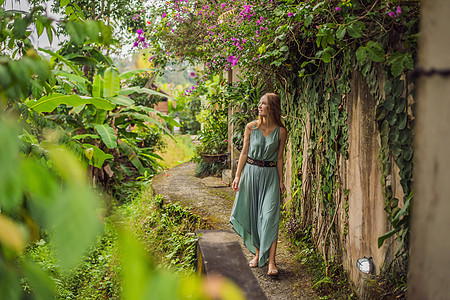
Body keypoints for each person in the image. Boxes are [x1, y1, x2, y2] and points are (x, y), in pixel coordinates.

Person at [230, 92, 287, 276]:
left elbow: (279, 158)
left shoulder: (281, 131)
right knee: (254, 215)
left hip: (270, 176)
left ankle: (272, 261)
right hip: (251, 175)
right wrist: (237, 176)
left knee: (270, 217)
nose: (259, 106)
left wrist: (280, 180)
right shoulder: (251, 127)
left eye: (263, 104)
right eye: (259, 103)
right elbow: (244, 154)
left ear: (272, 107)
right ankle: (256, 254)